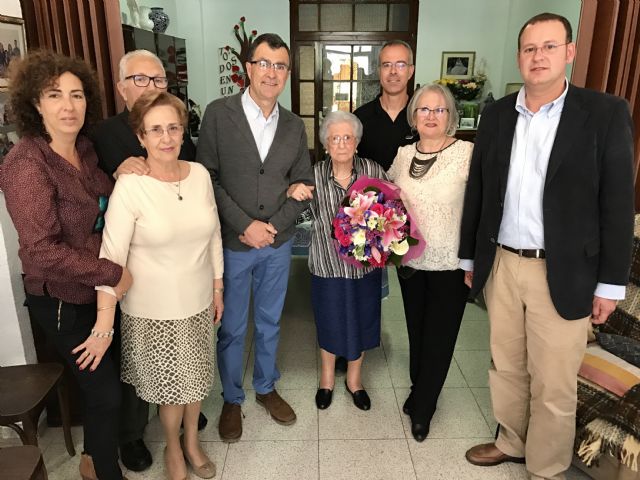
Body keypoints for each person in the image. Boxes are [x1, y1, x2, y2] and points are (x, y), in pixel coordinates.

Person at [459, 13, 635, 479]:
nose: (538, 57)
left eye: (549, 47)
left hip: (564, 271)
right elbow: (479, 191)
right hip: (502, 263)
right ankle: (512, 441)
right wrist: (469, 258)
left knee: (554, 382)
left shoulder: (604, 113)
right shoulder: (497, 114)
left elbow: (617, 205)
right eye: (530, 48)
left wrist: (611, 284)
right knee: (506, 366)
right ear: (519, 57)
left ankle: (546, 466)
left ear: (570, 53)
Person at [0, 51, 131, 480]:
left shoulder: (87, 150)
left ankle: (93, 462)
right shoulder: (26, 163)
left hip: (99, 294)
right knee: (106, 393)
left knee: (106, 391)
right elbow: (40, 250)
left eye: (76, 95)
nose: (68, 106)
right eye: (55, 95)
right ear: (35, 103)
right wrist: (112, 272)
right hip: (60, 299)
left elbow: (106, 208)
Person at [96, 91, 223, 480]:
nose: (166, 137)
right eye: (156, 130)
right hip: (154, 311)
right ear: (141, 137)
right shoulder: (131, 186)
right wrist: (104, 321)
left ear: (184, 132)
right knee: (170, 389)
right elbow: (111, 256)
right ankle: (172, 445)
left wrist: (218, 287)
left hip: (199, 301)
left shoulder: (199, 174)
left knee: (197, 380)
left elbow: (214, 233)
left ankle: (191, 442)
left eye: (173, 128)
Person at [196, 33, 314, 442]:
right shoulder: (218, 114)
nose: (272, 73)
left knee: (268, 322)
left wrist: (274, 228)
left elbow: (303, 184)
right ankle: (232, 397)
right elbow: (205, 177)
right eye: (264, 63)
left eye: (280, 66)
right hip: (232, 243)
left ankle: (265, 387)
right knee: (231, 326)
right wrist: (243, 225)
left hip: (277, 246)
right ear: (248, 67)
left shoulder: (295, 125)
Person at [387, 84, 473, 442]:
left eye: (439, 110)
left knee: (440, 337)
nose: (432, 116)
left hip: (451, 265)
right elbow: (388, 195)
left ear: (450, 116)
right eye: (424, 109)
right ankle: (417, 388)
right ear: (414, 115)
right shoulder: (404, 155)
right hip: (411, 263)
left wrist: (474, 260)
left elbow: (480, 210)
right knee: (417, 332)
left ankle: (424, 407)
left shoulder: (467, 152)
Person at [301, 111, 387, 411]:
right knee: (329, 320)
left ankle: (354, 380)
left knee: (362, 321)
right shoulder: (312, 176)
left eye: (347, 138)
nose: (340, 144)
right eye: (334, 138)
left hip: (364, 268)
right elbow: (297, 212)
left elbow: (391, 214)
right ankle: (327, 380)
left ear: (356, 142)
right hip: (326, 265)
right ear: (325, 144)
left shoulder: (373, 172)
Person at [354, 39, 416, 171]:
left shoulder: (422, 116)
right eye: (387, 65)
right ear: (379, 71)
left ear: (410, 71)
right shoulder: (359, 117)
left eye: (400, 65)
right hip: (369, 191)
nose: (393, 71)